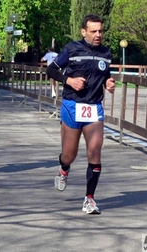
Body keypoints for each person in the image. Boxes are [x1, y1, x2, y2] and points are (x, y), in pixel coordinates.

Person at [47, 14, 115, 214]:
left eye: (100, 31)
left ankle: (90, 199)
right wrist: (69, 81)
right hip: (72, 105)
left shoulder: (106, 53)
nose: (98, 35)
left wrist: (108, 83)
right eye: (93, 31)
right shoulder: (71, 49)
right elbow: (51, 71)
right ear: (83, 32)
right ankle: (64, 168)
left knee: (94, 150)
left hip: (94, 107)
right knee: (70, 154)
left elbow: (105, 75)